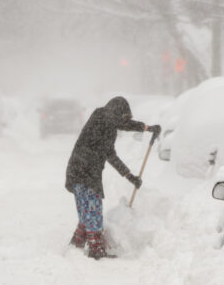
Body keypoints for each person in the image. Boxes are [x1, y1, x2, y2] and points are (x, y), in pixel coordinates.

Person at [64, 96, 160, 259]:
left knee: (86, 208)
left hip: (79, 170)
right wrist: (146, 128)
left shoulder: (105, 124)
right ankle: (95, 249)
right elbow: (120, 128)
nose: (122, 121)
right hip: (85, 170)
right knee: (93, 208)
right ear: (116, 111)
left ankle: (78, 240)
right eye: (122, 116)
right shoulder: (102, 116)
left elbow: (111, 153)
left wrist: (130, 176)